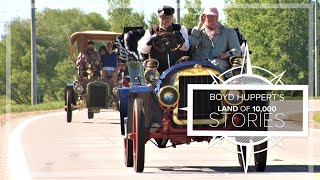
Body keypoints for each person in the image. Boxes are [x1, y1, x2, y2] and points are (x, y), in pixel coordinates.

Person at [137, 5, 190, 73]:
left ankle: (185, 82)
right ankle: (151, 82)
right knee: (150, 63)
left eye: (168, 17)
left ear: (172, 18)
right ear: (158, 18)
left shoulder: (180, 29)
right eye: (163, 17)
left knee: (186, 59)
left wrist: (180, 40)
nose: (165, 20)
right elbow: (142, 49)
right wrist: (150, 40)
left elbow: (187, 47)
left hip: (177, 67)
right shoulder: (152, 30)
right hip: (157, 69)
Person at [189, 7, 241, 72]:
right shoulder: (198, 31)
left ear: (217, 18)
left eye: (213, 18)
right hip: (199, 65)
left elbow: (237, 50)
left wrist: (226, 54)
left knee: (216, 67)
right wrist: (199, 25)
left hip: (219, 65)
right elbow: (192, 43)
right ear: (204, 18)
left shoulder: (228, 32)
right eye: (208, 19)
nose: (211, 21)